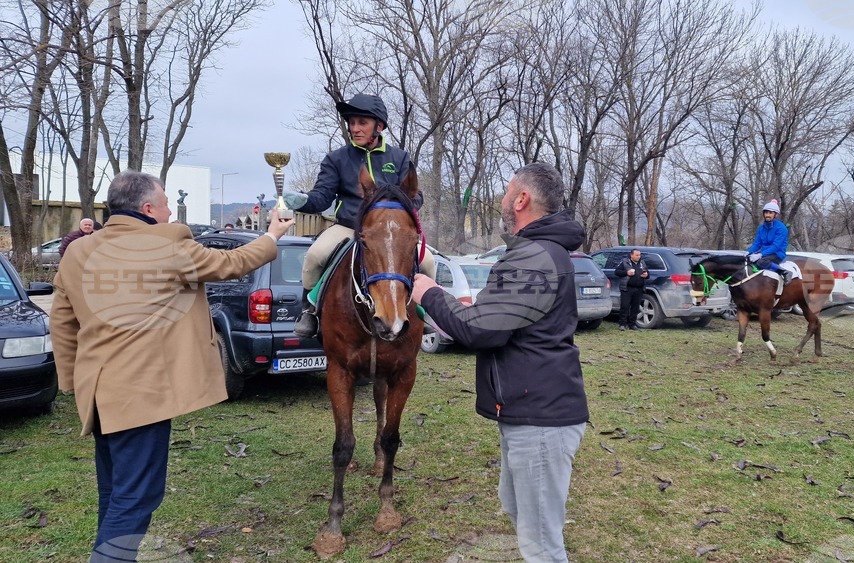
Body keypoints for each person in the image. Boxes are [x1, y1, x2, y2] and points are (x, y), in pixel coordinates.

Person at [48, 171, 295, 562]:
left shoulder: (78, 250)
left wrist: (70, 383)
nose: (168, 211)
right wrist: (272, 235)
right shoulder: (165, 242)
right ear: (147, 208)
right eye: (164, 203)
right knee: (135, 499)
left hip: (99, 395)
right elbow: (232, 262)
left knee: (115, 493)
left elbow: (62, 321)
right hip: (140, 397)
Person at [412, 162, 589, 563]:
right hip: (525, 412)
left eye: (507, 192)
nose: (502, 200)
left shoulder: (533, 256)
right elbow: (502, 321)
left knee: (541, 544)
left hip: (541, 419)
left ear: (522, 199)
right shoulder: (535, 253)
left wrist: (430, 293)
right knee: (517, 511)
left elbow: (482, 332)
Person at [281, 92, 434, 338]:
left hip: (387, 232)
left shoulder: (399, 158)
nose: (355, 128)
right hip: (348, 227)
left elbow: (415, 196)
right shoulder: (337, 159)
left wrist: (403, 204)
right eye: (352, 123)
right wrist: (304, 201)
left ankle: (425, 310)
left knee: (428, 262)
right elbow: (322, 197)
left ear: (379, 126)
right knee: (314, 255)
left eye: (362, 122)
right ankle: (309, 311)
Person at [746, 198, 792, 283]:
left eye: (770, 213)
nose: (767, 215)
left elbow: (775, 246)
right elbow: (757, 244)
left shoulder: (781, 228)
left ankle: (784, 272)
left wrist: (760, 255)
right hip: (764, 253)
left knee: (761, 262)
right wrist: (747, 253)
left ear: (776, 215)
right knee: (747, 260)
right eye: (766, 212)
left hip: (777, 254)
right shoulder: (761, 228)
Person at [615, 248, 649, 330]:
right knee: (625, 306)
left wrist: (646, 275)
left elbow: (648, 273)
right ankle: (622, 324)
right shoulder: (624, 262)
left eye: (639, 255)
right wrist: (627, 273)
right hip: (627, 288)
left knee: (635, 307)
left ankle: (632, 324)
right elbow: (617, 272)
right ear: (631, 255)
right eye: (636, 255)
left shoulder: (642, 263)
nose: (638, 257)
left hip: (639, 288)